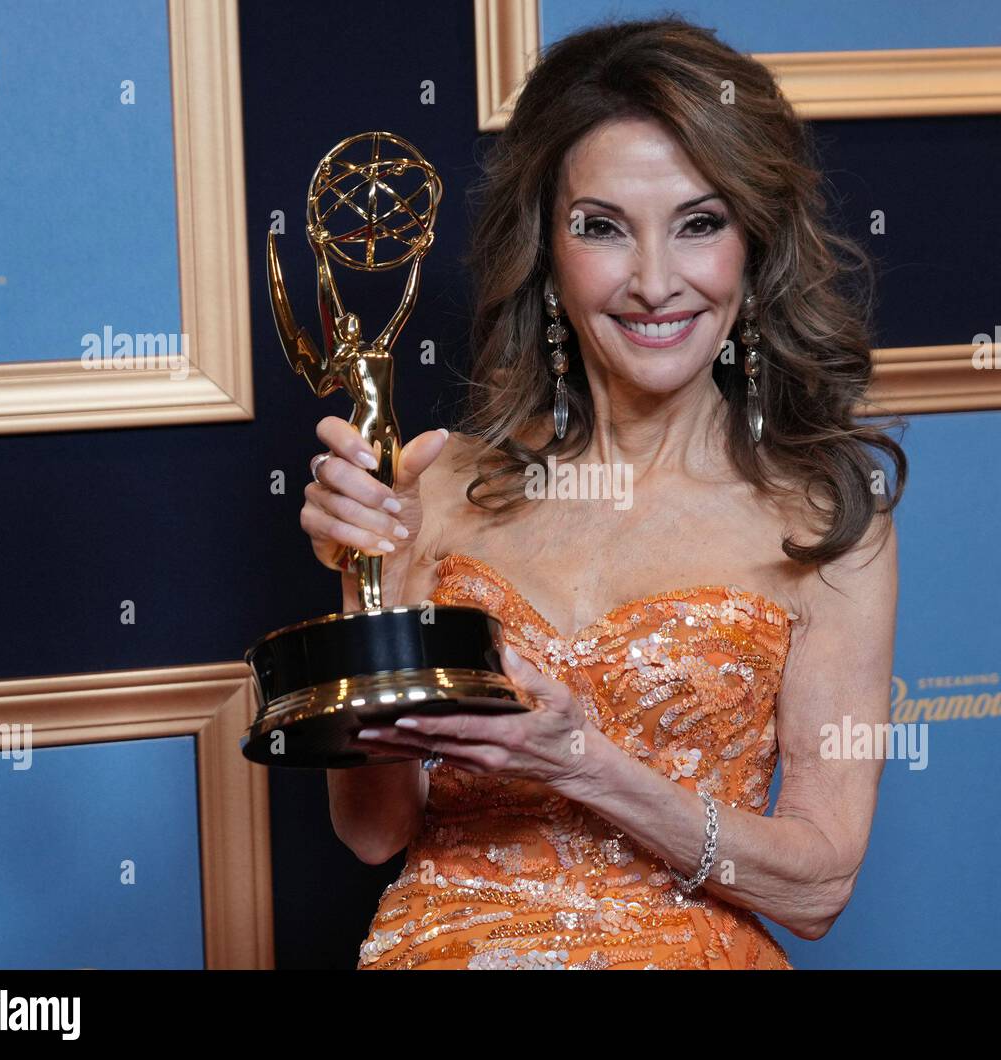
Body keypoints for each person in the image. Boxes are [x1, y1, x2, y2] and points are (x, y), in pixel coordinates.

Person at [300, 15, 905, 970]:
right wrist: (362, 577)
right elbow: (372, 833)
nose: (656, 282)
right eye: (603, 228)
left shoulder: (823, 523)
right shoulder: (438, 482)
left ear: (753, 247)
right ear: (546, 252)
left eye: (699, 224)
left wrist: (586, 766)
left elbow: (821, 884)